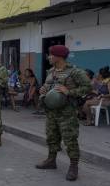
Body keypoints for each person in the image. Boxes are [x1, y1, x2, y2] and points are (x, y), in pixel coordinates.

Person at [36, 45, 91, 181]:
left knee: (70, 140)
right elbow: (48, 86)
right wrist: (43, 89)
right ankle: (51, 160)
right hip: (51, 112)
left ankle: (73, 167)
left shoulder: (75, 72)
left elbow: (88, 87)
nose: (48, 57)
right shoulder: (51, 71)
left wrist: (69, 92)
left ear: (58, 56)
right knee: (51, 137)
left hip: (67, 113)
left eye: (50, 55)